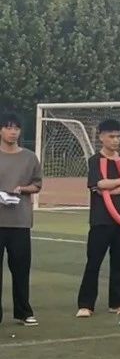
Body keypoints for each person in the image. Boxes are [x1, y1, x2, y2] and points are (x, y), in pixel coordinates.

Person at [77, 118, 120, 317]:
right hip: (101, 219)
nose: (115, 140)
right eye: (111, 136)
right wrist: (118, 182)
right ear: (101, 137)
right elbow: (98, 184)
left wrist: (111, 188)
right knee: (94, 262)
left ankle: (117, 302)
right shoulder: (95, 160)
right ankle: (86, 304)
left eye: (118, 137)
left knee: (118, 262)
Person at [0, 113, 42, 327]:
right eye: (8, 127)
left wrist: (22, 189)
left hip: (20, 221)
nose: (13, 132)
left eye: (16, 128)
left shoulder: (29, 157)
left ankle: (23, 312)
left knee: (21, 269)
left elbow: (37, 184)